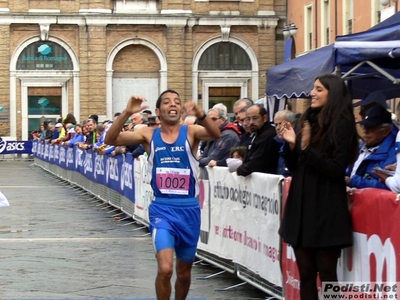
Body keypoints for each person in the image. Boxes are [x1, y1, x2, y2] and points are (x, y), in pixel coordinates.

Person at [104, 90, 220, 300]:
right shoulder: (148, 135)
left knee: (183, 274)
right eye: (167, 102)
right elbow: (111, 139)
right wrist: (127, 113)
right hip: (162, 210)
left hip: (189, 211)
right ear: (158, 111)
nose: (173, 104)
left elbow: (215, 134)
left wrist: (201, 113)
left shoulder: (191, 131)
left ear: (181, 111)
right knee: (166, 269)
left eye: (177, 101)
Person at [277, 74, 359, 300]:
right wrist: (292, 144)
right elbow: (296, 166)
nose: (312, 93)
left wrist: (306, 148)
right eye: (313, 88)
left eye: (319, 89)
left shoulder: (342, 124)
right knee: (305, 273)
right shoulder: (307, 120)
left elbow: (335, 168)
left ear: (332, 93)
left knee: (327, 274)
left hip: (326, 207)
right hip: (301, 208)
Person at [345, 105, 397, 190]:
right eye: (364, 126)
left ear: (385, 131)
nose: (365, 131)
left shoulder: (393, 155)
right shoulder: (361, 146)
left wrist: (353, 181)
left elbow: (388, 186)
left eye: (371, 128)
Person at [236, 104, 280, 176]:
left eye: (255, 118)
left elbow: (257, 163)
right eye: (248, 119)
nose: (251, 122)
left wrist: (240, 170)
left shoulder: (267, 136)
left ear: (265, 118)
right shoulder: (256, 133)